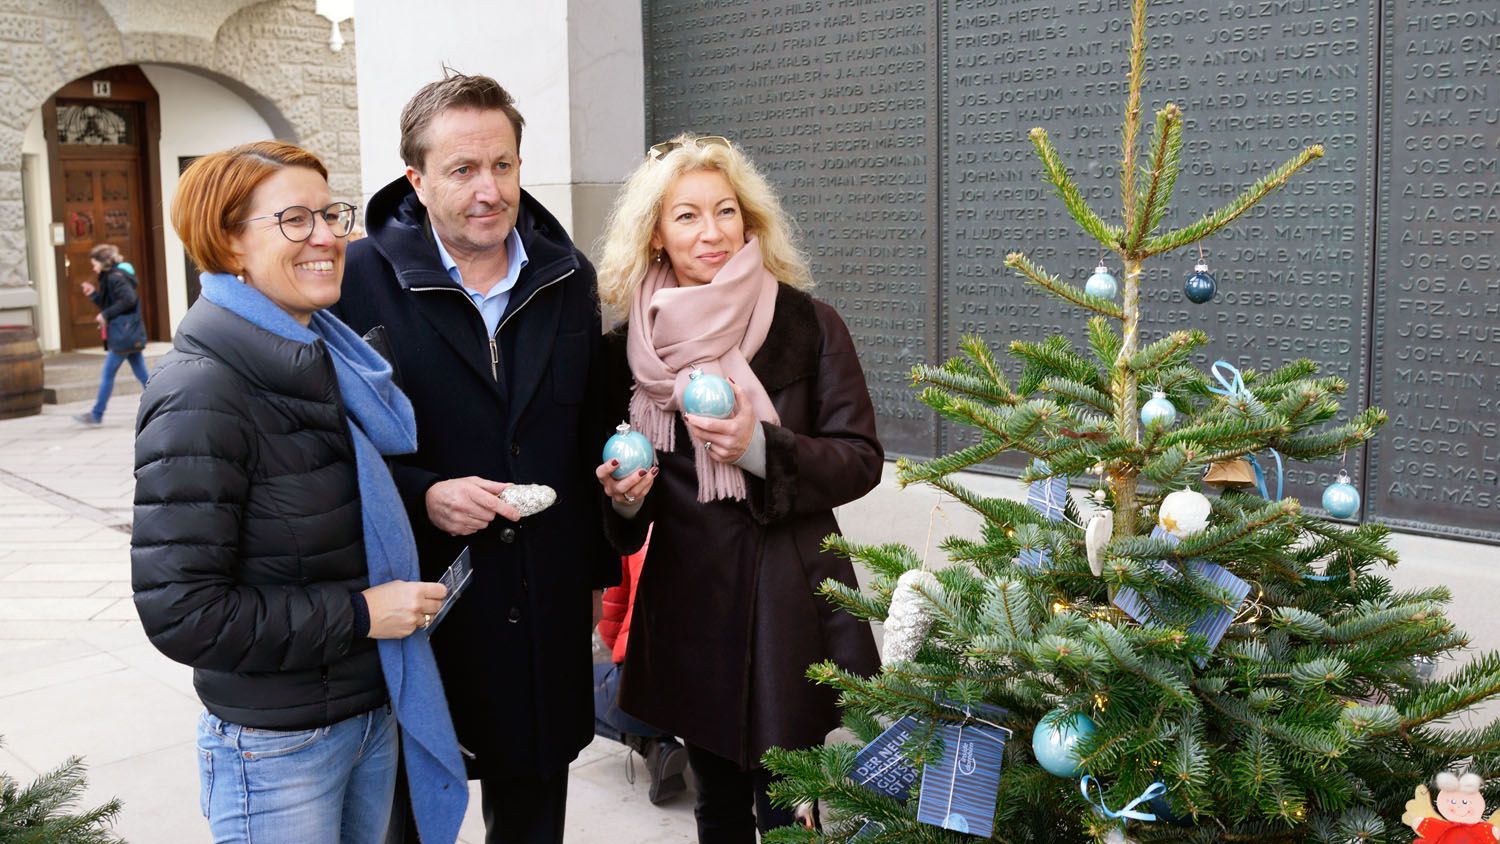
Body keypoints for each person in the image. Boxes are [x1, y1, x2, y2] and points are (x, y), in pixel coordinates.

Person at [131, 140, 467, 844]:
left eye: (330, 214)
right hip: (279, 747)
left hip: (366, 711)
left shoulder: (329, 362)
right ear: (229, 243)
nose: (327, 237)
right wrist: (361, 614)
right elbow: (182, 611)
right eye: (294, 220)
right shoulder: (203, 390)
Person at [331, 72, 625, 844]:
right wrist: (424, 493)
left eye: (502, 165)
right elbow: (327, 446)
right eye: (462, 170)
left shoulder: (568, 276)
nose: (488, 190)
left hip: (543, 608)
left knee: (531, 821)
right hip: (423, 607)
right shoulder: (356, 282)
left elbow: (591, 430)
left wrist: (608, 545)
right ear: (416, 180)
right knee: (407, 820)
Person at [593, 133, 883, 842]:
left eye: (726, 211)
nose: (712, 232)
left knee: (790, 808)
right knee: (716, 807)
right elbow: (629, 506)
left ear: (749, 219)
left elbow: (860, 459)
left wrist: (759, 448)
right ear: (656, 235)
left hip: (788, 602)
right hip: (690, 606)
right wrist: (625, 500)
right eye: (687, 215)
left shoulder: (808, 324)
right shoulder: (630, 349)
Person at [593, 529, 688, 805]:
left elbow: (610, 615)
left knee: (563, 686)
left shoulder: (637, 524)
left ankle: (652, 743)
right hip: (714, 695)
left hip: (643, 686)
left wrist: (624, 653)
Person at [72, 243, 149, 425]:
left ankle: (96, 414)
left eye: (95, 264)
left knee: (108, 374)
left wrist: (105, 315)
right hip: (128, 332)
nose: (93, 268)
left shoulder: (115, 277)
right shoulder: (112, 277)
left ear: (103, 263)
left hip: (123, 333)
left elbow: (129, 300)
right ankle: (164, 405)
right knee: (143, 375)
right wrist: (93, 295)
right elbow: (112, 304)